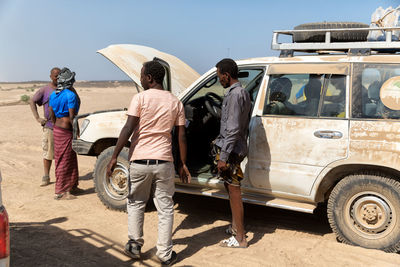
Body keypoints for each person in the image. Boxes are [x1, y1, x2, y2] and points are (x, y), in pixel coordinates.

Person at [106, 60, 191, 265]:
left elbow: (128, 129)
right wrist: (183, 163)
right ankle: (164, 253)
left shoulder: (140, 98)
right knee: (165, 207)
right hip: (164, 162)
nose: (141, 79)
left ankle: (134, 245)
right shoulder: (175, 102)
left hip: (140, 161)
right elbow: (181, 136)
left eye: (142, 75)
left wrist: (114, 156)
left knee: (136, 203)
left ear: (150, 78)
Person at [213, 58, 251, 248]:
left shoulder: (235, 95)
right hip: (237, 147)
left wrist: (224, 156)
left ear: (226, 75)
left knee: (234, 191)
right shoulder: (242, 93)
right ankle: (236, 227)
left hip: (233, 150)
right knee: (230, 187)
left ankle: (240, 238)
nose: (219, 80)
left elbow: (233, 129)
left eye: (219, 76)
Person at [49, 67, 81, 200]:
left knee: (66, 158)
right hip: (66, 131)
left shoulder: (53, 95)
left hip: (57, 129)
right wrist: (76, 131)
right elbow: (73, 117)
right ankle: (62, 191)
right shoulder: (70, 95)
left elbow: (51, 115)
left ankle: (72, 186)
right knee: (66, 160)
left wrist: (57, 124)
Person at [29, 67, 60, 186]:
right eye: (55, 75)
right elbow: (32, 101)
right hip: (49, 127)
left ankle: (60, 177)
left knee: (61, 154)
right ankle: (46, 176)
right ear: (51, 76)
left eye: (59, 75)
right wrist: (37, 118)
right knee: (48, 153)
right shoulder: (45, 90)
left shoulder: (64, 90)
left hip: (63, 128)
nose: (57, 78)